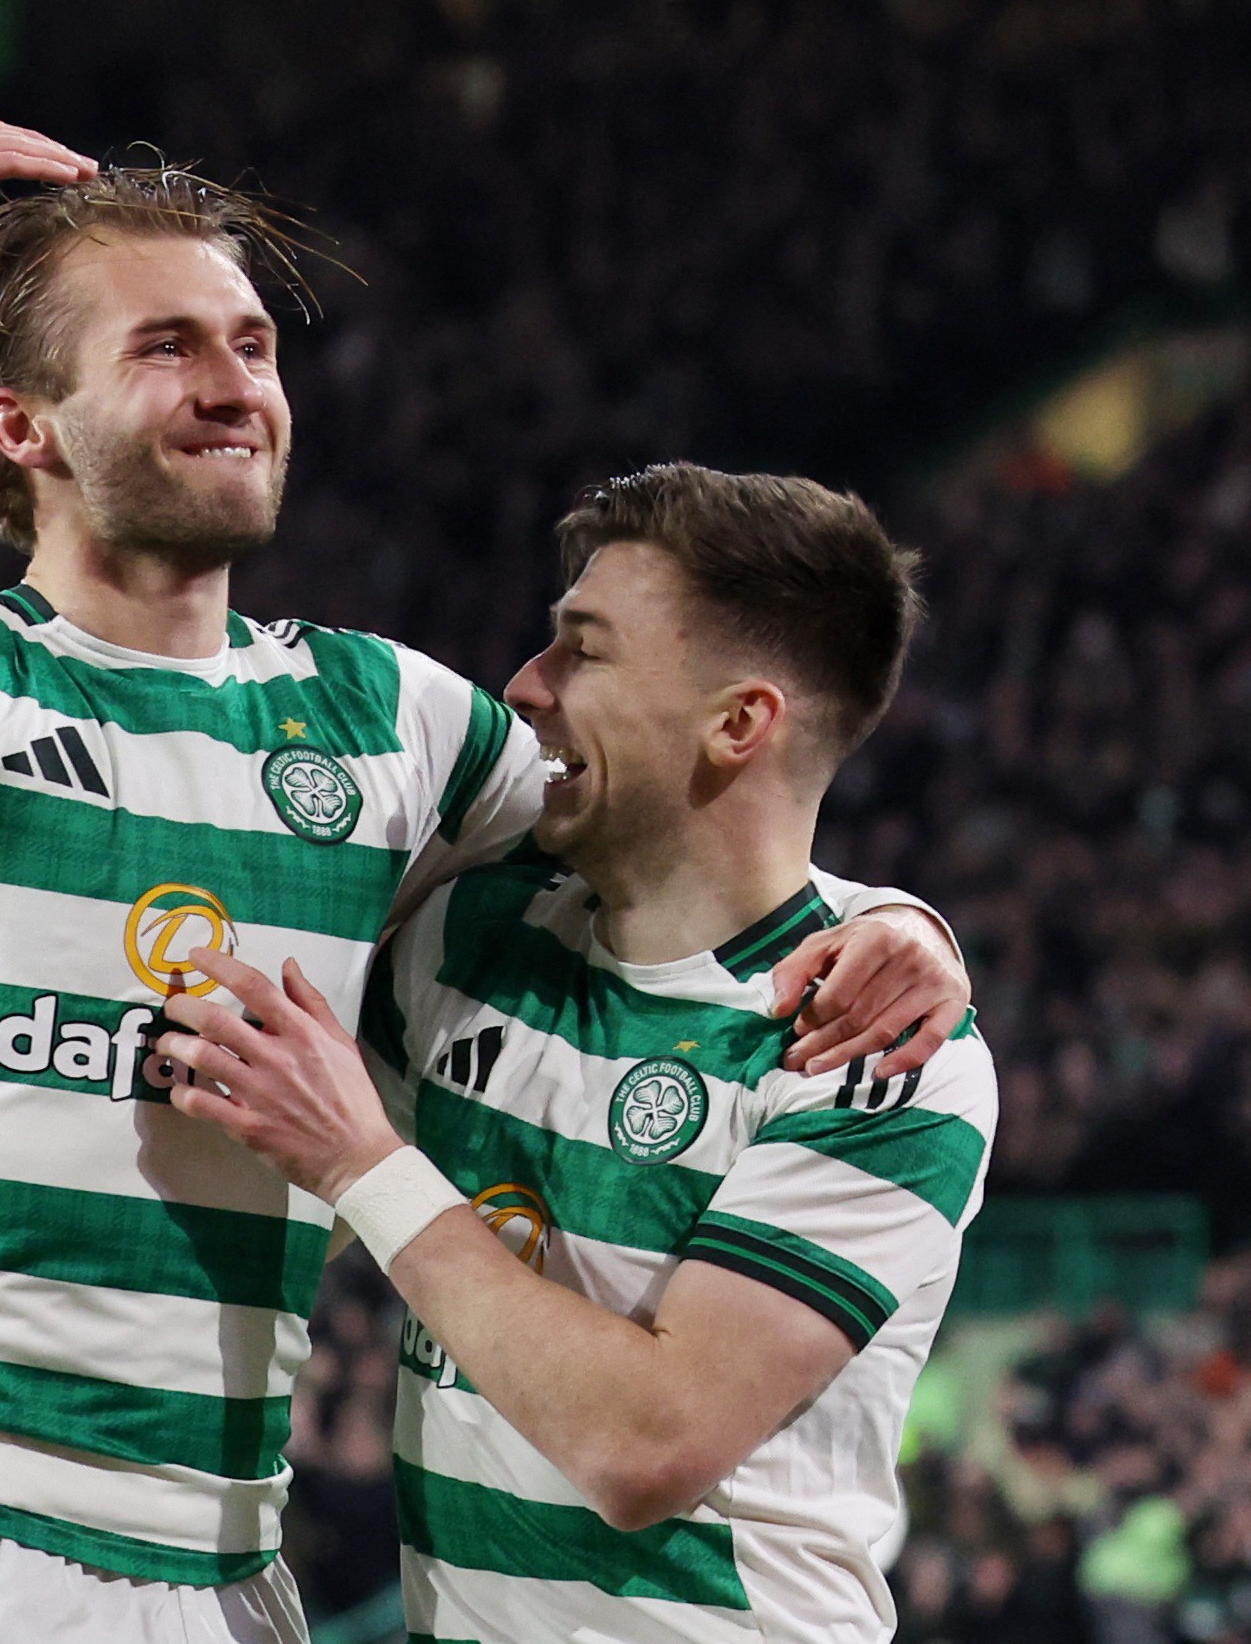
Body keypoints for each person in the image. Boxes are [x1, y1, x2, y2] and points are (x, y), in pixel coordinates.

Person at [0, 123, 969, 1641]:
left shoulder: (394, 725)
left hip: (235, 1572)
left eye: (252, 342)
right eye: (168, 346)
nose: (235, 382)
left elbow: (682, 851)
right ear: (24, 426)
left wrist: (897, 927)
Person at [151, 463, 1000, 1643]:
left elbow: (644, 1444)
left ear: (739, 721)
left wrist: (362, 1161)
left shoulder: (875, 1054)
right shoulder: (472, 932)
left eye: (583, 651)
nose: (525, 686)